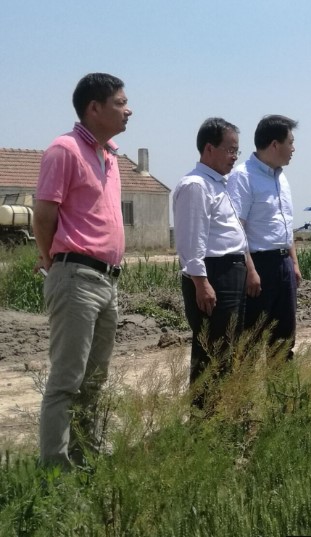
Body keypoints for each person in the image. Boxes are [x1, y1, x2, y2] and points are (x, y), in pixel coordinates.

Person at [34, 73, 131, 470]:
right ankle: (54, 473)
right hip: (76, 276)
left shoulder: (111, 157)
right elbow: (44, 215)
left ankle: (86, 456)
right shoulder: (65, 150)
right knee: (67, 380)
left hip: (107, 280)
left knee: (94, 379)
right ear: (94, 108)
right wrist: (53, 262)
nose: (128, 110)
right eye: (120, 103)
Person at [173, 118, 249, 412]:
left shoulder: (219, 185)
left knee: (228, 349)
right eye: (230, 150)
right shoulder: (196, 186)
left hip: (230, 273)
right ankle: (204, 419)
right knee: (212, 352)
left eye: (237, 151)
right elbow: (191, 240)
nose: (234, 157)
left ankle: (223, 416)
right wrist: (201, 282)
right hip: (212, 275)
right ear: (209, 149)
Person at [228, 115, 301, 361]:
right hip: (259, 266)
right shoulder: (243, 176)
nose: (293, 148)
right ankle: (247, 388)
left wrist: (294, 263)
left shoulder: (281, 178)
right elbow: (238, 229)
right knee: (251, 341)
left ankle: (280, 386)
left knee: (283, 340)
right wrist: (250, 271)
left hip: (283, 266)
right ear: (275, 144)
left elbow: (286, 224)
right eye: (290, 142)